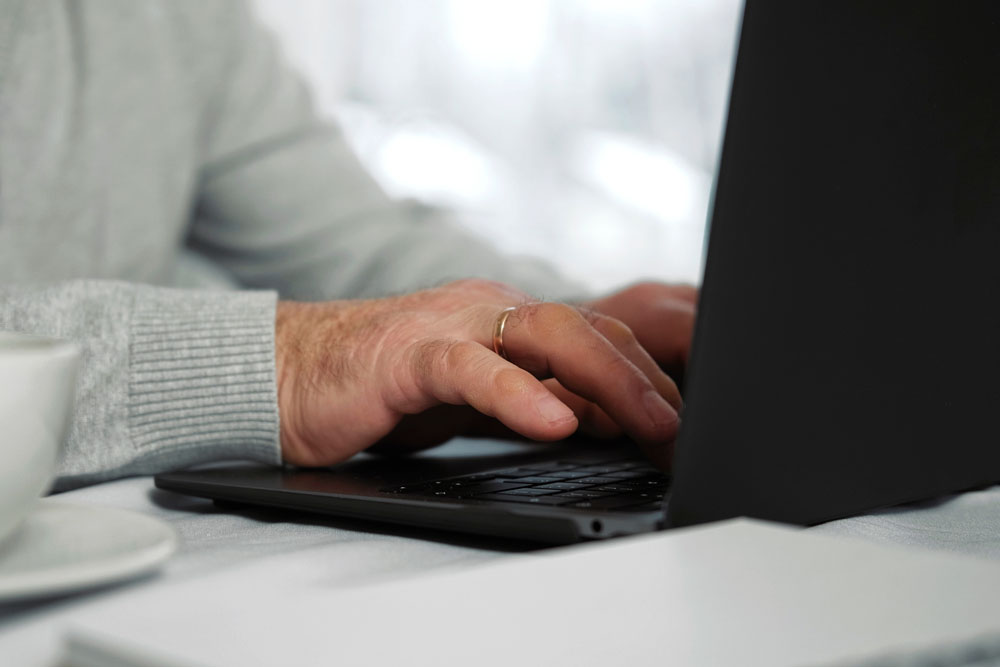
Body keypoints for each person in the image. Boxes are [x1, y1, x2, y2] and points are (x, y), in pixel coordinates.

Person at [0, 0, 697, 491]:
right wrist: (286, 365)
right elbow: (329, 337)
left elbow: (353, 245)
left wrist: (570, 328)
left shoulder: (170, 17)